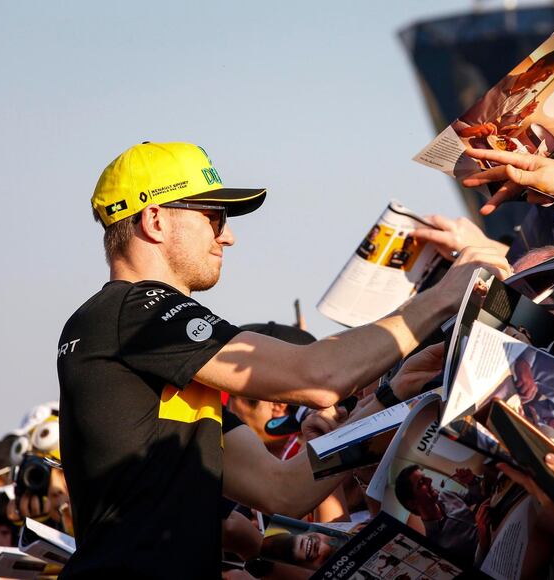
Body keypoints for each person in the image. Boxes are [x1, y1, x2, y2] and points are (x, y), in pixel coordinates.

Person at [57, 141, 509, 579]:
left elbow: (284, 490)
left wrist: (387, 398)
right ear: (154, 220)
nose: (228, 236)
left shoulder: (155, 348)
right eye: (214, 218)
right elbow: (320, 377)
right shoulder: (133, 311)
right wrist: (446, 295)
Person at [458, 49, 554, 131]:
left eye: (550, 76)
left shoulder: (525, 93)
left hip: (477, 134)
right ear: (539, 65)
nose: (545, 79)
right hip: (458, 129)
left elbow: (504, 122)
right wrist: (467, 130)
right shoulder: (498, 79)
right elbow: (457, 110)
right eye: (548, 73)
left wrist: (522, 115)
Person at [393, 465, 485, 564]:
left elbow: (474, 497)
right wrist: (483, 543)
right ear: (412, 503)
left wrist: (471, 481)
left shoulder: (445, 495)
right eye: (421, 482)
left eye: (425, 477)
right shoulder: (434, 543)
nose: (430, 480)